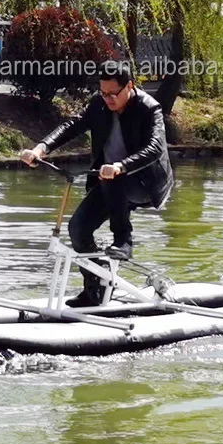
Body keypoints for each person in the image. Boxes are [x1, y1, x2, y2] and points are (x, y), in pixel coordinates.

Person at [20, 59, 174, 306]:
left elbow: (155, 148)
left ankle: (123, 240)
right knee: (78, 229)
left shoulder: (149, 107)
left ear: (130, 86)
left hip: (145, 182)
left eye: (114, 94)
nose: (108, 99)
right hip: (108, 181)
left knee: (114, 178)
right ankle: (96, 287)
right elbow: (72, 125)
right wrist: (41, 148)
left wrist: (121, 166)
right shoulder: (98, 104)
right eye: (103, 93)